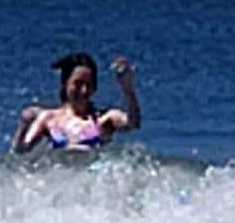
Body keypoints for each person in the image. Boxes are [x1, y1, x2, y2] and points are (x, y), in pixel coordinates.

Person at [11, 52, 141, 153]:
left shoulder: (105, 118)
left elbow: (133, 123)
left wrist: (127, 89)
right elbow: (20, 151)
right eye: (77, 84)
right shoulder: (48, 118)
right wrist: (23, 126)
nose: (83, 90)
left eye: (88, 85)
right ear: (65, 84)